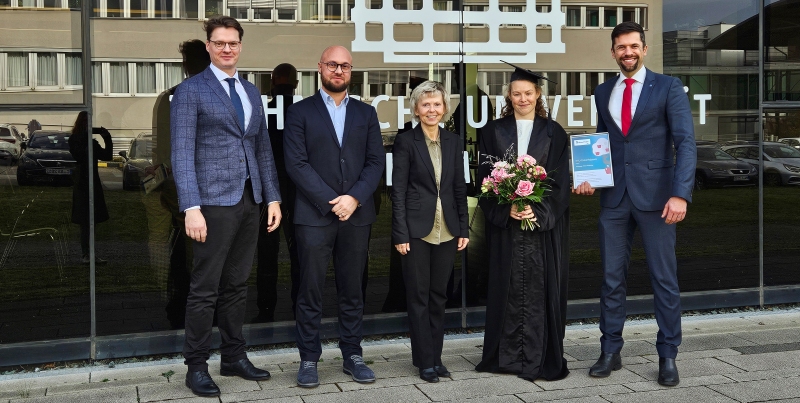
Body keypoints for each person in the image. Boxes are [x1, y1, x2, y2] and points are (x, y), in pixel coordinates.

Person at [573, 21, 696, 387]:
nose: (627, 52)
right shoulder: (603, 91)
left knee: (664, 279)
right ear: (613, 52)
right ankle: (610, 350)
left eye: (633, 46)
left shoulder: (669, 87)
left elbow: (686, 143)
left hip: (659, 198)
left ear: (644, 49)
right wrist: (590, 177)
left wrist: (680, 193)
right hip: (614, 198)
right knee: (611, 278)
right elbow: (604, 141)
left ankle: (668, 354)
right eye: (620, 47)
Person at [170, 16, 282, 397]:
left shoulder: (251, 92)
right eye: (220, 43)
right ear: (209, 46)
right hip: (212, 203)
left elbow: (262, 148)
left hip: (250, 200)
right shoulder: (191, 91)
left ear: (240, 46)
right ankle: (196, 366)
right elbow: (181, 153)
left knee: (236, 284)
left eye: (233, 43)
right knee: (205, 288)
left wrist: (273, 197)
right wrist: (191, 207)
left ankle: (233, 356)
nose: (227, 49)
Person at [284, 45, 384, 388]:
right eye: (332, 65)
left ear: (351, 71)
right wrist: (331, 201)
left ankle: (353, 355)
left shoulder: (366, 114)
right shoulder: (300, 112)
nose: (338, 70)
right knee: (309, 289)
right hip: (313, 216)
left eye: (344, 66)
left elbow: (376, 163)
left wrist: (354, 198)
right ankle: (309, 359)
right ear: (320, 68)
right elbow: (296, 164)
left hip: (356, 215)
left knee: (353, 289)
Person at [474, 64, 571, 382]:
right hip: (508, 229)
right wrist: (508, 208)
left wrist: (537, 211)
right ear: (509, 96)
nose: (522, 98)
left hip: (542, 230)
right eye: (516, 93)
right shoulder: (491, 132)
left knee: (542, 288)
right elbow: (484, 179)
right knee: (508, 286)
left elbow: (559, 181)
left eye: (528, 93)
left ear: (538, 94)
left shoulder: (554, 132)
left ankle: (540, 356)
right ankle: (507, 358)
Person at [391, 80, 469, 383]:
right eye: (426, 105)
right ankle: (424, 361)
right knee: (419, 296)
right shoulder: (406, 141)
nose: (432, 109)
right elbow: (397, 191)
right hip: (416, 231)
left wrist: (463, 226)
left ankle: (436, 358)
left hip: (448, 229)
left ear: (445, 108)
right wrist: (399, 233)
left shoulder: (453, 141)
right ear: (416, 109)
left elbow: (459, 187)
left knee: (439, 296)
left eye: (437, 104)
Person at [151, 39, 211, 329]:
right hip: (185, 189)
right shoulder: (174, 98)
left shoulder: (177, 96)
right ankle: (183, 308)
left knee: (192, 254)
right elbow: (163, 151)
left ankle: (185, 307)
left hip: (203, 191)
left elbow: (162, 150)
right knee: (186, 254)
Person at [253, 63, 300, 323]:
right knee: (299, 254)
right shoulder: (303, 110)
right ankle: (299, 308)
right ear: (295, 83)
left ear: (272, 81)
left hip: (268, 190)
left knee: (267, 254)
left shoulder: (264, 110)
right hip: (296, 191)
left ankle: (266, 309)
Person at [68, 111, 113, 265]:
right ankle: (87, 254)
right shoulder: (76, 140)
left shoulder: (87, 141)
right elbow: (79, 155)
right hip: (83, 183)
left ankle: (89, 254)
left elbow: (107, 156)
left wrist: (106, 138)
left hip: (89, 181)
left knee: (91, 221)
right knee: (86, 221)